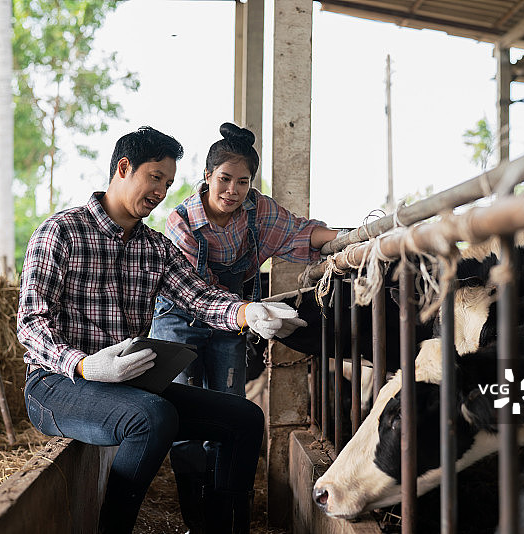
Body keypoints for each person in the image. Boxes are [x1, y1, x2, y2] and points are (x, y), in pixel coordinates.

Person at [17, 126, 305, 534]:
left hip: (126, 385)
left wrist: (247, 312)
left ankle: (223, 529)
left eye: (168, 183)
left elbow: (200, 298)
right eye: (155, 177)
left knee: (244, 417)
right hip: (56, 384)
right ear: (123, 168)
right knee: (152, 417)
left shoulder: (155, 247)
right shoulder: (61, 232)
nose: (161, 192)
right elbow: (30, 323)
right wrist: (83, 366)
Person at [151, 122, 339, 532]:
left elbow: (304, 232)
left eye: (242, 181)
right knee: (182, 412)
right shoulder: (181, 222)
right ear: (207, 177)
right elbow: (193, 293)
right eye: (223, 179)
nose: (232, 190)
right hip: (180, 317)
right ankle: (195, 521)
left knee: (231, 411)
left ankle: (226, 521)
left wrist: (350, 239)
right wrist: (246, 310)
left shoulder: (260, 212)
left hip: (231, 319)